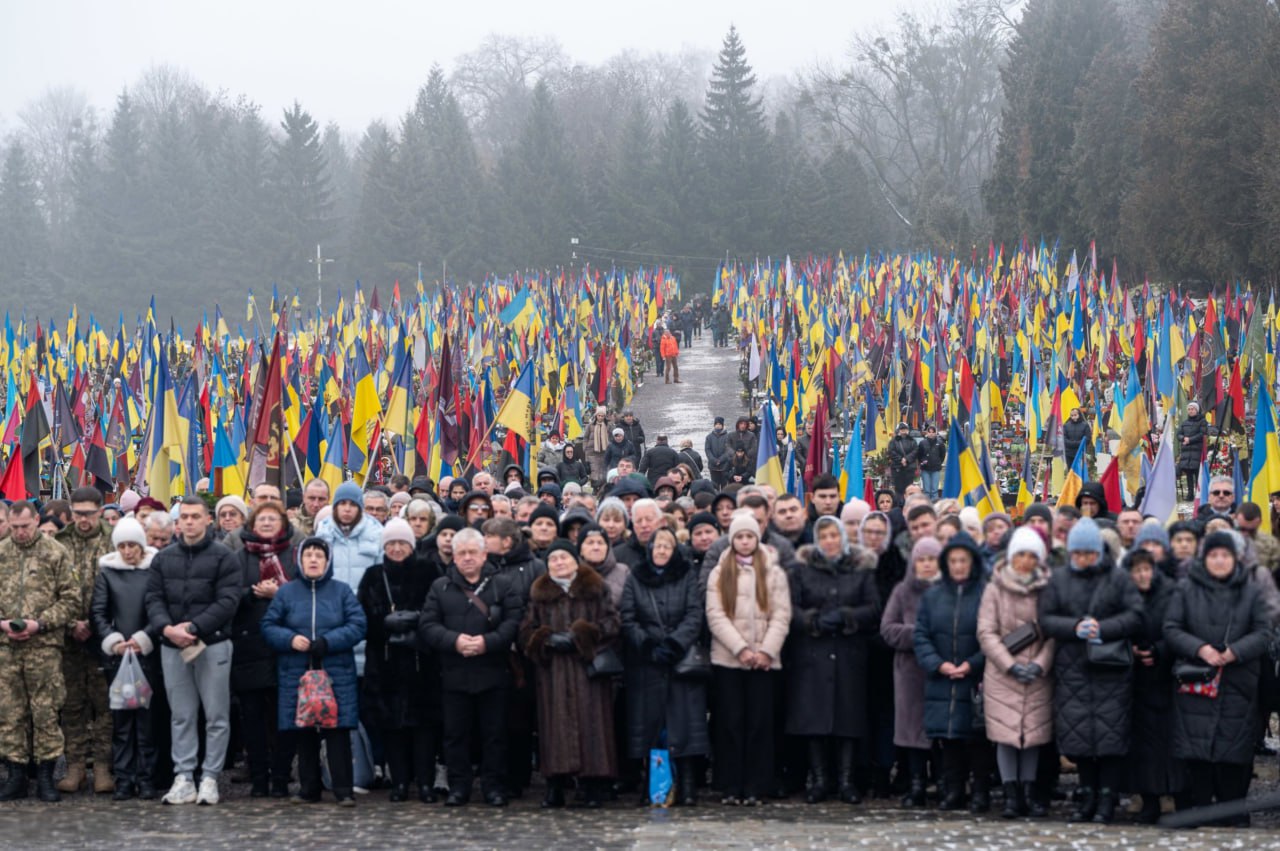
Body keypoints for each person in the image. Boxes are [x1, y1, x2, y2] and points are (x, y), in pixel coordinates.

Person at [1038, 517, 1143, 823]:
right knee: (1080, 737)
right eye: (1077, 554)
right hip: (1073, 668)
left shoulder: (1119, 578)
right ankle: (1087, 795)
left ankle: (1107, 798)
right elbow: (1046, 618)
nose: (1082, 559)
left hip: (1111, 668)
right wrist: (1074, 627)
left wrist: (1104, 628)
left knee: (1110, 738)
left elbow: (1135, 615)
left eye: (1088, 553)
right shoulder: (1059, 580)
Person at [1164, 531, 1271, 826]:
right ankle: (1198, 809)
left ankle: (1231, 811)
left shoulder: (1251, 591)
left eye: (1225, 555)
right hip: (1197, 681)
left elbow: (1264, 633)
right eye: (1214, 555)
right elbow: (1172, 628)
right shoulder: (1185, 589)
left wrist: (1235, 651)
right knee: (1195, 749)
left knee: (1234, 750)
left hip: (1237, 683)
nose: (1220, 560)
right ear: (1205, 557)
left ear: (1234, 558)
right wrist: (1201, 649)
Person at [145, 496, 242, 806]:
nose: (189, 522)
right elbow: (153, 599)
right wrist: (167, 628)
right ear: (177, 522)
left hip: (212, 643)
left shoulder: (225, 557)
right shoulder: (163, 558)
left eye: (195, 516)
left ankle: (210, 776)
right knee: (181, 715)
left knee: (216, 715)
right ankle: (184, 776)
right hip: (172, 645)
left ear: (207, 519)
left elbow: (228, 601)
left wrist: (193, 627)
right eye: (184, 517)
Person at [420, 528, 524, 807]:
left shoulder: (502, 585)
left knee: (495, 735)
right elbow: (428, 625)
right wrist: (454, 641)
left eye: (472, 552)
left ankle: (494, 787)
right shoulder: (440, 587)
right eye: (461, 553)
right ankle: (459, 787)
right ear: (453, 557)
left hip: (493, 671)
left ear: (483, 554)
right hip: (454, 673)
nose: (467, 558)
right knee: (455, 736)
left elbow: (514, 623)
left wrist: (487, 643)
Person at [261, 537, 367, 806]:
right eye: (308, 555)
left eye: (319, 555)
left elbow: (357, 624)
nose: (313, 559)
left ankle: (343, 789)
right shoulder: (286, 593)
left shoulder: (341, 592)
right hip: (296, 671)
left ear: (327, 561)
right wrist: (289, 640)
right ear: (300, 560)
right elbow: (269, 625)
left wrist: (329, 641)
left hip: (334, 671)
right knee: (304, 731)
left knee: (338, 732)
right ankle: (309, 788)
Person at [519, 539, 620, 807]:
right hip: (553, 672)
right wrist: (545, 639)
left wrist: (581, 635)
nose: (559, 563)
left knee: (592, 725)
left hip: (587, 669)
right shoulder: (540, 593)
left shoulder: (595, 589)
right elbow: (526, 630)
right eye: (553, 559)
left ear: (576, 561)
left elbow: (612, 623)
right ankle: (555, 785)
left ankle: (593, 785)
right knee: (555, 727)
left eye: (564, 557)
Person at [787, 516, 880, 804]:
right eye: (824, 536)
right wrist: (811, 620)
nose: (829, 541)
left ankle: (846, 780)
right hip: (813, 654)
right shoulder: (802, 569)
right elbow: (791, 607)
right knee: (814, 719)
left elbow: (874, 608)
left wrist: (847, 616)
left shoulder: (860, 569)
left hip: (848, 653)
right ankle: (819, 779)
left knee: (847, 720)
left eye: (834, 535)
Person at [706, 513, 792, 806]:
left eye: (749, 536)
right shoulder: (720, 572)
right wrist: (740, 648)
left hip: (764, 662)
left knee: (760, 724)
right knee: (730, 723)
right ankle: (731, 784)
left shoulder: (773, 572)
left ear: (757, 539)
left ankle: (757, 784)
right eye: (739, 536)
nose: (744, 542)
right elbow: (715, 615)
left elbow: (781, 614)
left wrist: (766, 651)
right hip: (729, 660)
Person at [620, 526, 709, 806]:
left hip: (679, 662)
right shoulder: (636, 577)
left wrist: (674, 644)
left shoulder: (686, 576)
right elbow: (628, 616)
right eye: (657, 546)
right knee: (651, 727)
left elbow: (695, 614)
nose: (661, 551)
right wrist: (647, 644)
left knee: (682, 726)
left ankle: (687, 785)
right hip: (646, 664)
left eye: (667, 547)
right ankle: (656, 787)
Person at [358, 518, 443, 803]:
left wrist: (415, 622)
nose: (396, 548)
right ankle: (400, 783)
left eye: (402, 543)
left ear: (411, 545)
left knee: (424, 729)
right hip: (385, 662)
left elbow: (436, 610)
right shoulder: (372, 575)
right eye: (391, 543)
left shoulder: (428, 571)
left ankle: (426, 783)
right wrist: (384, 623)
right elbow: (363, 617)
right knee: (392, 728)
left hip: (422, 661)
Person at [0, 501, 78, 802]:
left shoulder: (55, 552)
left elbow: (71, 599)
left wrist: (40, 623)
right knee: (10, 713)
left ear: (36, 520)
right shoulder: (2, 552)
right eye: (15, 527)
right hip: (6, 646)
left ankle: (46, 775)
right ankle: (16, 774)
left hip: (43, 645)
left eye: (26, 526)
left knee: (45, 711)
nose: (20, 532)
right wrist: (4, 624)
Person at [976, 527, 1055, 819]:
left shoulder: (1047, 589)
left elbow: (1053, 633)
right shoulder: (995, 588)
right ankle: (1011, 795)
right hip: (1003, 673)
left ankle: (1029, 791)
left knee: (1032, 735)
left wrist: (1040, 664)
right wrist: (1008, 664)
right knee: (1006, 735)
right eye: (1020, 554)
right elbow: (986, 631)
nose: (1025, 560)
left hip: (1037, 673)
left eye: (1031, 555)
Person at [913, 532, 990, 812]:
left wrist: (973, 663)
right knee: (949, 740)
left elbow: (993, 634)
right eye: (954, 560)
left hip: (974, 679)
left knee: (977, 741)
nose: (958, 566)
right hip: (942, 679)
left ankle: (980, 792)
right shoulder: (934, 595)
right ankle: (953, 790)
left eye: (964, 560)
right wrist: (938, 664)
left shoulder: (985, 592)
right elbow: (921, 634)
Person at [231, 500, 298, 798]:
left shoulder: (294, 555)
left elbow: (304, 595)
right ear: (252, 525)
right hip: (248, 645)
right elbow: (227, 595)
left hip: (285, 647)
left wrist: (279, 592)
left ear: (282, 523)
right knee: (253, 719)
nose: (268, 524)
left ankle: (281, 776)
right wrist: (252, 594)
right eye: (262, 520)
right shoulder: (238, 557)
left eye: (273, 519)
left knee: (284, 717)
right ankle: (259, 778)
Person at [91, 517, 160, 800]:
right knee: (121, 721)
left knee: (147, 722)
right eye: (123, 546)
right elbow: (99, 612)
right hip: (118, 656)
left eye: (133, 545)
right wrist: (114, 641)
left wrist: (144, 638)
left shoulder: (153, 572)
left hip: (146, 653)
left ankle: (145, 778)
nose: (128, 551)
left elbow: (158, 608)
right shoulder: (107, 573)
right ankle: (123, 778)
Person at [55, 486, 116, 795]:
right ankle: (76, 766)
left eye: (89, 514)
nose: (83, 520)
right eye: (78, 513)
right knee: (72, 704)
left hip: (103, 637)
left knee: (104, 705)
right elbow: (48, 590)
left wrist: (97, 624)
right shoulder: (59, 543)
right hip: (68, 638)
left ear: (99, 511)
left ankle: (103, 766)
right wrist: (71, 623)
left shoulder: (114, 540)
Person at [880, 537, 942, 807]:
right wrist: (918, 635)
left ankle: (943, 783)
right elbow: (888, 628)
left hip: (941, 670)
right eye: (922, 560)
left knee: (940, 731)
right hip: (910, 672)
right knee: (913, 730)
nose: (927, 565)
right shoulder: (902, 592)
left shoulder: (949, 590)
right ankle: (916, 783)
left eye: (932, 559)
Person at [1123, 549, 1183, 823]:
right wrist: (1131, 650)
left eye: (1146, 569)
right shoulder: (1124, 595)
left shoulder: (1170, 593)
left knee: (1167, 740)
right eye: (1137, 571)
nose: (1142, 575)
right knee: (1142, 745)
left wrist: (1158, 650)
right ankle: (1147, 797)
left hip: (1166, 676)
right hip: (1134, 679)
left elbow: (1177, 629)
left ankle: (1169, 793)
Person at [1177, 402, 1207, 499]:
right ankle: (1190, 494)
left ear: (1197, 410)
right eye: (1189, 409)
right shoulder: (1184, 423)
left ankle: (1200, 494)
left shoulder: (1202, 421)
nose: (1190, 411)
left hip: (1197, 451)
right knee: (1189, 473)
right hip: (1186, 452)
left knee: (1198, 474)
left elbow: (1202, 434)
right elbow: (1179, 434)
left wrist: (1190, 440)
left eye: (1192, 409)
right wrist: (1183, 438)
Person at [887, 423, 918, 497]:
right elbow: (891, 452)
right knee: (899, 490)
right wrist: (901, 460)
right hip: (897, 468)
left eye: (905, 429)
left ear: (908, 430)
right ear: (899, 431)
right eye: (902, 429)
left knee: (909, 489)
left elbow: (915, 451)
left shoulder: (912, 441)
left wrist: (906, 459)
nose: (903, 431)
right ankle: (899, 505)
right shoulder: (893, 441)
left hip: (909, 468)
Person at [917, 425, 946, 501]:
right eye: (929, 432)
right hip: (925, 469)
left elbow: (942, 455)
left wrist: (938, 462)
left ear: (935, 433)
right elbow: (919, 454)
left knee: (934, 490)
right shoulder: (922, 443)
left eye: (933, 432)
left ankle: (935, 506)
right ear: (927, 433)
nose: (931, 434)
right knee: (926, 490)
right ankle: (927, 505)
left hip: (936, 469)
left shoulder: (940, 443)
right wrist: (922, 462)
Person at [706, 416, 733, 488]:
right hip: (713, 466)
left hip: (725, 466)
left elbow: (729, 450)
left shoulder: (728, 436)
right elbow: (707, 450)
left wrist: (720, 460)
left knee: (724, 486)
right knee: (714, 486)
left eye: (719, 424)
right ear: (714, 425)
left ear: (723, 425)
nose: (718, 426)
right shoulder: (709, 437)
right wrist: (713, 460)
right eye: (716, 424)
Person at [1063, 408, 1091, 473]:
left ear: (1079, 415)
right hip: (1069, 453)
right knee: (1071, 471)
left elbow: (1087, 438)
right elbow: (1064, 439)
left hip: (1080, 452)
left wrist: (1078, 444)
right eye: (1072, 415)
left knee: (1079, 472)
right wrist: (1074, 443)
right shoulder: (1066, 425)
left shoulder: (1085, 425)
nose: (1073, 417)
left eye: (1075, 415)